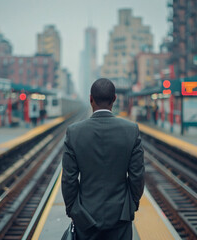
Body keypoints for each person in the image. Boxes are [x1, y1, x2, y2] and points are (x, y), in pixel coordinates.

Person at [62, 78, 145, 240]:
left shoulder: (74, 132)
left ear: (90, 98)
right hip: (120, 216)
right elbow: (137, 176)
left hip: (85, 217)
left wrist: (74, 211)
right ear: (114, 99)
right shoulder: (131, 130)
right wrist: (130, 206)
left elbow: (68, 179)